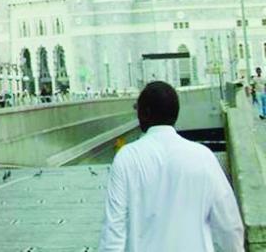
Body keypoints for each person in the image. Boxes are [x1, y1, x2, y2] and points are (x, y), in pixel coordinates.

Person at [98, 81, 244, 252]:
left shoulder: (127, 158)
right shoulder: (203, 157)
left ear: (145, 113)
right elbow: (228, 227)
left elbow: (113, 232)